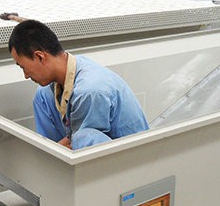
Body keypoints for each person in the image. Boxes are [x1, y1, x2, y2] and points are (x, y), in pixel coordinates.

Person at [8, 20, 149, 150]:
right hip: (83, 138)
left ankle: (53, 159)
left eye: (23, 67)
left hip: (130, 157)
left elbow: (80, 142)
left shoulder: (89, 90)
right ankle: (49, 157)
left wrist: (57, 151)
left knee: (83, 138)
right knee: (43, 95)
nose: (26, 75)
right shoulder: (70, 64)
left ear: (40, 56)